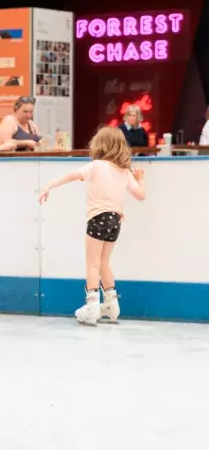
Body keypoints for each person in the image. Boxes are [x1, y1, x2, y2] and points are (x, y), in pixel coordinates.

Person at [38, 126, 146, 325]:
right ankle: (112, 305)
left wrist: (49, 185)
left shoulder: (96, 166)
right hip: (115, 220)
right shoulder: (124, 171)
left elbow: (70, 176)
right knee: (104, 262)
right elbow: (141, 195)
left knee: (93, 263)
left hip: (97, 218)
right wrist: (140, 180)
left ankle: (92, 306)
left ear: (100, 144)